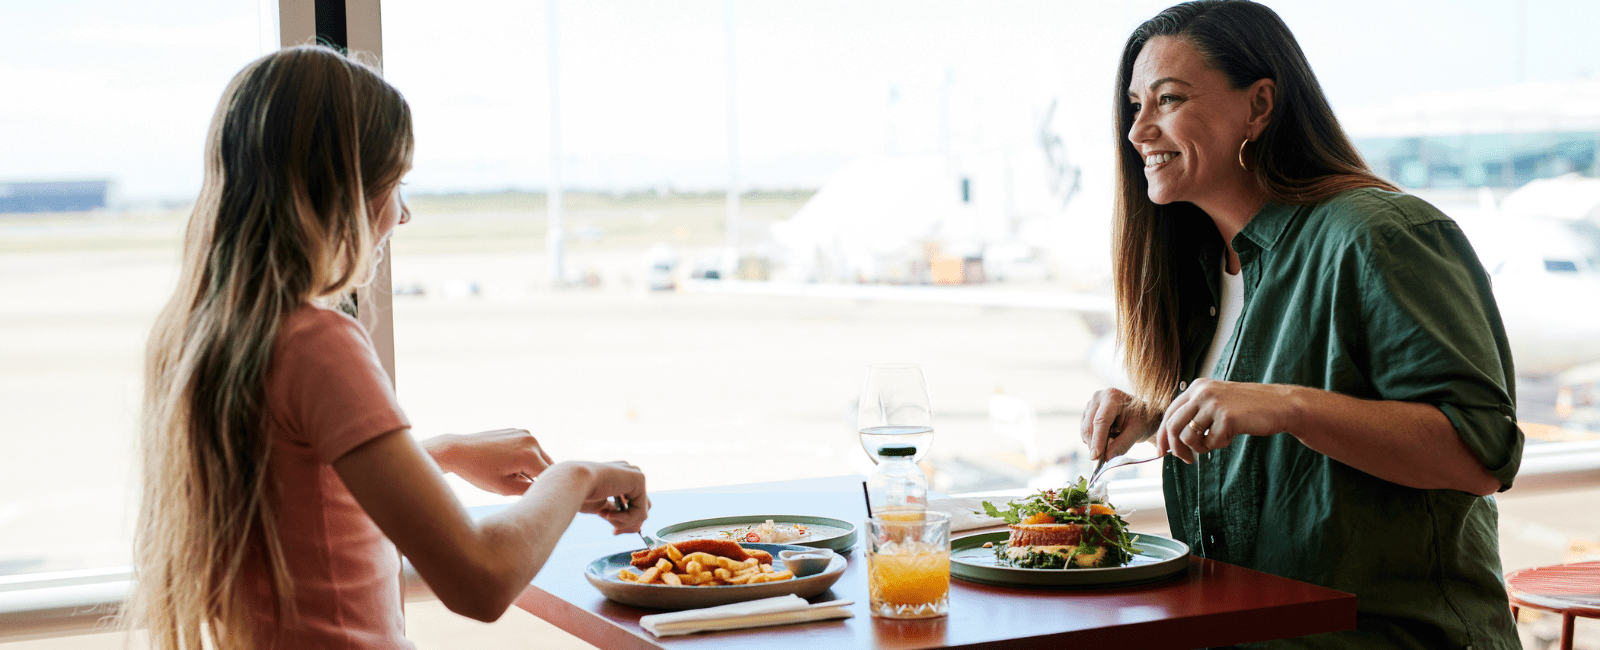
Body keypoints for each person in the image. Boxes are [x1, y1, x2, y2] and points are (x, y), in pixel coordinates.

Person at [129, 45, 650, 650]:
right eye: (395, 183)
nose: (402, 215)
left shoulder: (201, 334)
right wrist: (575, 475)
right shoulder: (315, 341)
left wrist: (445, 454)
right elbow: (480, 581)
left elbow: (300, 498)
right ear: (340, 190)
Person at [1078, 2, 1522, 647]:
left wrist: (1288, 406)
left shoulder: (1378, 235)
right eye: (1134, 106)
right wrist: (1158, 410)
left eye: (1168, 99)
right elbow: (1253, 411)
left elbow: (1481, 454)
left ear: (1259, 106)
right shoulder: (1201, 266)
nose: (1139, 131)